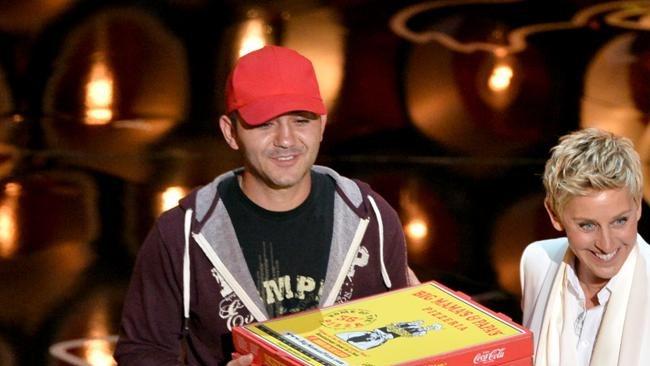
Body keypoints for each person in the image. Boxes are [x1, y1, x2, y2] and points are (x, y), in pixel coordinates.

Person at [114, 45, 413, 365]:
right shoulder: (182, 234)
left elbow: (402, 343)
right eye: (265, 123)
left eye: (301, 120)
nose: (286, 139)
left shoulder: (371, 218)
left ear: (322, 125)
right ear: (231, 133)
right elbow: (141, 352)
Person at [519, 128, 650, 366]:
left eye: (620, 221)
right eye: (587, 226)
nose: (606, 244)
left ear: (638, 205)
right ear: (554, 214)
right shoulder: (537, 262)